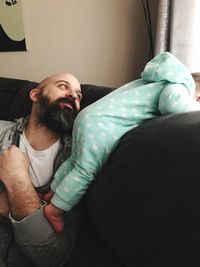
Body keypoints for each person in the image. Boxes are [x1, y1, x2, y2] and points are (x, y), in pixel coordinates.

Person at [43, 52, 200, 234]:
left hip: (87, 117)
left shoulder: (156, 82)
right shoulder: (181, 86)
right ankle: (56, 209)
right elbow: (172, 105)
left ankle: (52, 192)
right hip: (100, 125)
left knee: (74, 160)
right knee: (85, 171)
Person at [0, 72, 82, 267]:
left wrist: (17, 180)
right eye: (63, 86)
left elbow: (52, 257)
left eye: (79, 96)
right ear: (35, 95)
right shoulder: (1, 131)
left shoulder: (79, 161)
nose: (73, 95)